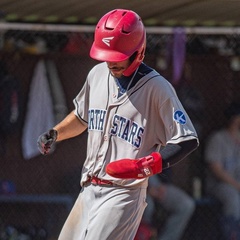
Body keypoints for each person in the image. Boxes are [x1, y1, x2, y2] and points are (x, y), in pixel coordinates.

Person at [37, 9, 199, 240]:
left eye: (118, 56)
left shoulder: (157, 88)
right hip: (88, 189)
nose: (111, 62)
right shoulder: (97, 74)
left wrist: (144, 166)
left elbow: (187, 139)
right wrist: (56, 133)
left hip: (124, 194)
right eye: (107, 55)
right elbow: (82, 117)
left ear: (138, 51)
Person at [204, 102, 240, 239]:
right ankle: (233, 235)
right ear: (235, 118)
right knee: (233, 197)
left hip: (237, 184)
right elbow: (216, 170)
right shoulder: (218, 138)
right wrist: (237, 185)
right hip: (218, 185)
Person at [142, 174, 195, 240]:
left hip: (159, 185)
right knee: (148, 206)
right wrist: (148, 189)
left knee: (186, 205)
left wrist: (158, 187)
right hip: (137, 188)